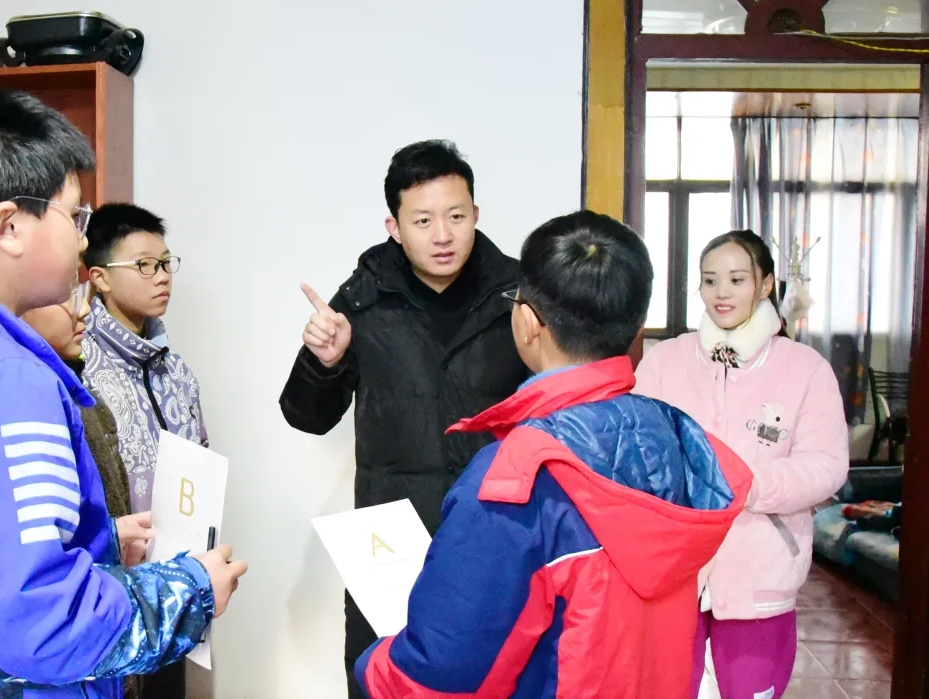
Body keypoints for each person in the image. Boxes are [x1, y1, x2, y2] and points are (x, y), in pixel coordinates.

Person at [0, 90, 247, 699]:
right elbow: (45, 622)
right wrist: (190, 590)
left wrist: (99, 540)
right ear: (9, 227)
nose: (84, 242)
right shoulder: (6, 377)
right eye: (74, 217)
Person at [354, 211, 753, 698]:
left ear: (527, 321)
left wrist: (373, 665)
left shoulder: (516, 481)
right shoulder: (674, 439)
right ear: (636, 326)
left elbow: (440, 676)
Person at [278, 139, 530, 697]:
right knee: (383, 681)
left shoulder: (518, 297)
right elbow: (305, 416)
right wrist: (324, 361)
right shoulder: (362, 299)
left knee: (494, 680)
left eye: (456, 216)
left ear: (476, 214)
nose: (442, 235)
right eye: (422, 220)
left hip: (493, 538)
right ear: (394, 227)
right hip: (387, 547)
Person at [634, 229, 849, 699]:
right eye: (710, 280)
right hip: (674, 575)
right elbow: (637, 451)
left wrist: (748, 483)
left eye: (736, 279)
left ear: (765, 284)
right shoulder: (664, 361)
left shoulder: (805, 368)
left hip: (760, 575)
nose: (721, 293)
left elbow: (827, 465)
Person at [81, 202, 208, 697]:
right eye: (144, 265)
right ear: (99, 278)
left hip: (176, 581)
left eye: (165, 263)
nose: (162, 276)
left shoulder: (176, 371)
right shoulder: (79, 367)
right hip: (112, 589)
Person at [22, 281, 150, 699]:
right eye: (66, 298)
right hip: (63, 651)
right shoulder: (24, 401)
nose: (83, 312)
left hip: (104, 610)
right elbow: (37, 555)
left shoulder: (78, 393)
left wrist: (111, 537)